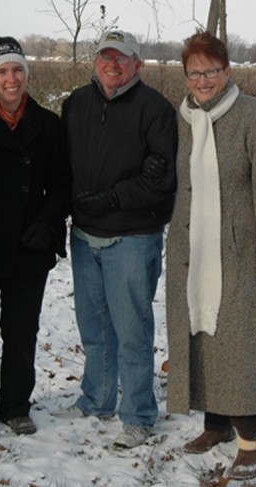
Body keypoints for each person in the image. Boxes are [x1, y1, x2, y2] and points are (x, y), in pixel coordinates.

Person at [165, 30, 256, 480]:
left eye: (211, 71)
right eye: (194, 72)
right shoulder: (182, 118)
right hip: (192, 250)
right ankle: (215, 424)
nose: (203, 80)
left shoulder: (253, 115)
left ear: (228, 71)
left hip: (241, 255)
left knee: (241, 346)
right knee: (203, 340)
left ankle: (250, 442)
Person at [57, 30, 178, 449]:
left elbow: (161, 175)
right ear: (95, 62)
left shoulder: (155, 109)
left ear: (137, 65)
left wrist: (112, 197)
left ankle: (139, 414)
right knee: (93, 325)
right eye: (105, 57)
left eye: (121, 58)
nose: (112, 64)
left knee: (131, 329)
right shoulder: (76, 104)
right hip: (85, 235)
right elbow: (62, 165)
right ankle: (97, 398)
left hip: (132, 236)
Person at [0, 37, 71, 436]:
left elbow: (61, 184)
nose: (11, 78)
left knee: (22, 331)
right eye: (2, 71)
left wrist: (48, 222)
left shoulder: (49, 125)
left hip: (29, 246)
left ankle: (15, 405)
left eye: (17, 70)